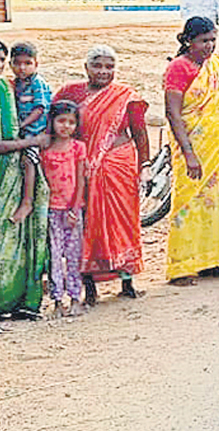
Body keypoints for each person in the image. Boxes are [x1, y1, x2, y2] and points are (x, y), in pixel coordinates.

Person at [53, 46, 149, 304]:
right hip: (83, 169)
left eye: (109, 67)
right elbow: (56, 124)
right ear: (86, 68)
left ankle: (127, 281)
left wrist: (145, 166)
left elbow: (139, 132)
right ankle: (90, 287)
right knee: (86, 225)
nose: (103, 72)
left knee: (124, 223)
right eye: (97, 66)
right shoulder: (70, 93)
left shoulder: (127, 96)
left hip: (120, 166)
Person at [163, 17, 219, 284]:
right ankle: (182, 266)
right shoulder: (179, 68)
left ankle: (215, 260)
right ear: (189, 41)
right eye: (203, 41)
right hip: (194, 149)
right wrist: (188, 153)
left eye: (213, 40)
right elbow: (173, 113)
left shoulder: (215, 66)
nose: (209, 46)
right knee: (189, 204)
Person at [0, 86, 52, 320]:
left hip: (13, 170)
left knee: (15, 240)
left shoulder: (8, 88)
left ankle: (14, 299)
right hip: (13, 163)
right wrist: (32, 141)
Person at [43, 101, 87, 317]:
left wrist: (75, 209)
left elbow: (80, 180)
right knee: (54, 255)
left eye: (71, 122)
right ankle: (57, 300)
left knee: (73, 255)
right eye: (61, 121)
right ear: (52, 121)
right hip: (51, 210)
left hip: (72, 211)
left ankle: (75, 297)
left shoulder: (78, 147)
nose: (66, 126)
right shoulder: (45, 149)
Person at [10, 42, 51, 229]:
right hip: (23, 130)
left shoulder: (37, 83)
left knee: (29, 160)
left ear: (36, 64)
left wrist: (22, 125)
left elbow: (39, 109)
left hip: (36, 130)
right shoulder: (17, 84)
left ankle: (27, 202)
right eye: (17, 63)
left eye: (27, 63)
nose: (22, 68)